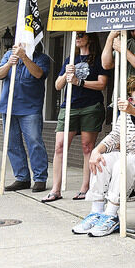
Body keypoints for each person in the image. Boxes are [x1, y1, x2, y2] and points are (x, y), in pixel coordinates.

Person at [72, 76, 135, 237]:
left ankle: (111, 214)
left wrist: (133, 110)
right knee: (102, 160)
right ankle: (96, 211)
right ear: (131, 98)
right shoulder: (126, 114)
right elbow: (115, 136)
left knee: (123, 163)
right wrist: (96, 151)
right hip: (131, 154)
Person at [43, 32, 109, 203]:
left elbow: (102, 84)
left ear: (90, 38)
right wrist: (66, 75)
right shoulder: (70, 60)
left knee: (87, 147)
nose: (77, 37)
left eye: (81, 35)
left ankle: (85, 188)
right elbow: (58, 86)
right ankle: (55, 189)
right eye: (76, 35)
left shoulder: (98, 60)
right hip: (69, 107)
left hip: (90, 106)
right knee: (59, 146)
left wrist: (79, 82)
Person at [0, 43, 51, 192]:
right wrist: (9, 63)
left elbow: (39, 74)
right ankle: (22, 178)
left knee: (34, 142)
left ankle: (40, 178)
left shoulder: (42, 58)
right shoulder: (8, 55)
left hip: (30, 108)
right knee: (12, 144)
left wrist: (24, 57)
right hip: (8, 107)